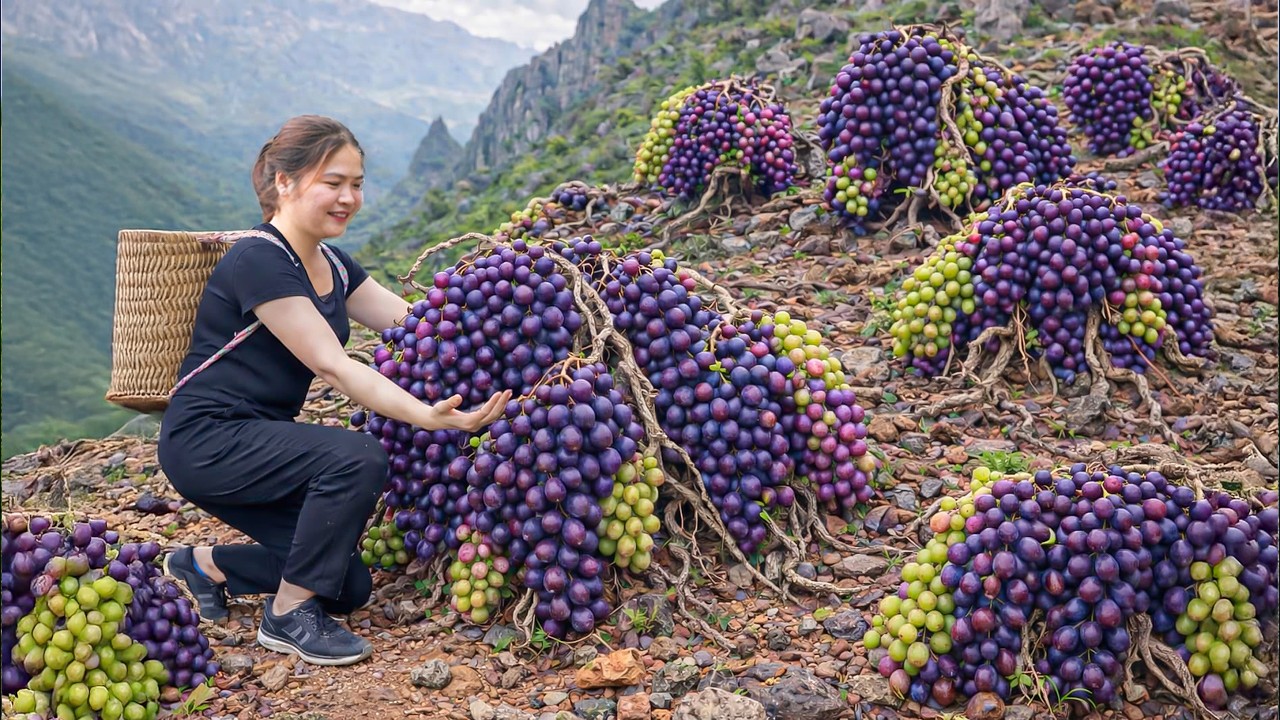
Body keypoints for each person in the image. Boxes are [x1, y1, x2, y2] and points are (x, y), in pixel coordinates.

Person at [157, 115, 510, 666]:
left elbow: (419, 325)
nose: (349, 197)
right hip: (209, 440)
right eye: (333, 182)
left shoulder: (335, 266)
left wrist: (505, 324)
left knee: (347, 587)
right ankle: (286, 618)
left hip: (261, 439)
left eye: (358, 184)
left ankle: (203, 565)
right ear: (284, 183)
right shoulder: (260, 260)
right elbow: (334, 367)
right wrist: (428, 415)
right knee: (357, 456)